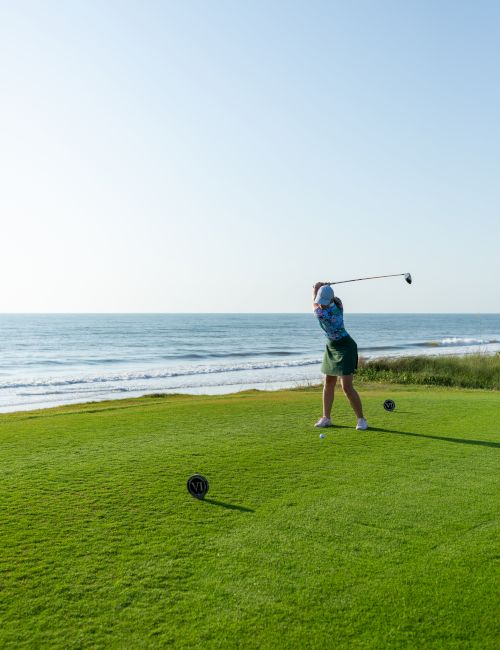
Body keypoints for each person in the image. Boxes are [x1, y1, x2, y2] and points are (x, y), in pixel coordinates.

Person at [312, 281, 368, 430]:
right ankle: (326, 418)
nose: (321, 304)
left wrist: (317, 287)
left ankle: (361, 420)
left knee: (347, 387)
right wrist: (326, 288)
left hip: (346, 347)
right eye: (320, 301)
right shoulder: (338, 305)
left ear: (329, 300)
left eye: (323, 301)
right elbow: (333, 298)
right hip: (332, 346)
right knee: (328, 383)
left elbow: (313, 302)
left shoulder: (320, 313)